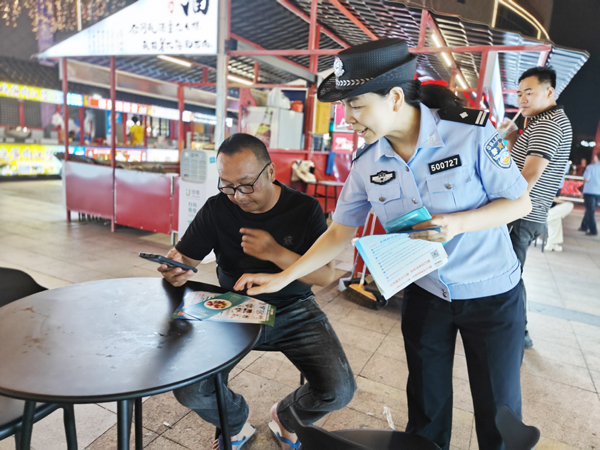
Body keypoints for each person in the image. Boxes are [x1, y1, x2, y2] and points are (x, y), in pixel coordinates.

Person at [234, 39, 532, 450]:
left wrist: (458, 224)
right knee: (426, 411)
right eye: (345, 107)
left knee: (498, 413)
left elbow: (520, 203)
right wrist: (283, 277)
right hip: (427, 294)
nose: (348, 119)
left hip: (492, 293)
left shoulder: (470, 134)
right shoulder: (368, 162)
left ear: (394, 97)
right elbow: (339, 232)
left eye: (356, 106)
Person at [158, 133, 356, 450]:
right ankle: (235, 422)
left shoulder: (304, 209)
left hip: (295, 307)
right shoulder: (217, 208)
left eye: (247, 185)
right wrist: (176, 270)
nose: (238, 196)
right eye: (227, 185)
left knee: (339, 390)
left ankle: (286, 418)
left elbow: (325, 275)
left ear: (271, 172)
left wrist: (274, 252)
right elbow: (186, 261)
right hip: (232, 307)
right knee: (190, 390)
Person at [497, 66, 573, 349]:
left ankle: (519, 333)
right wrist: (513, 137)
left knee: (508, 274)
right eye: (519, 94)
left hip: (521, 213)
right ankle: (515, 330)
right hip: (527, 213)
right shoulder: (543, 121)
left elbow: (529, 176)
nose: (522, 99)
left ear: (549, 91)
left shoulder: (548, 124)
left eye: (529, 92)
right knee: (508, 271)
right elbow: (522, 162)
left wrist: (499, 210)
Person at [580, 153, 600, 235]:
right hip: (598, 192)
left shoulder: (591, 167)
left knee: (590, 211)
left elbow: (586, 179)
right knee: (589, 209)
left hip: (590, 191)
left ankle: (593, 230)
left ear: (596, 157)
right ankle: (584, 226)